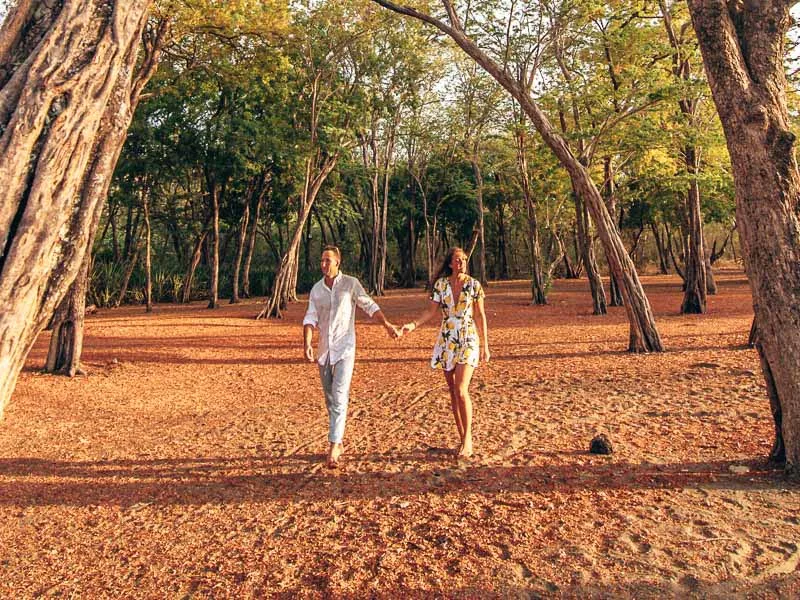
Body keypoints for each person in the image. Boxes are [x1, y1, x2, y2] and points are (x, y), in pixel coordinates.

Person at [303, 245, 399, 468]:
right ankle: (339, 437)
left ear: (338, 262)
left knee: (339, 395)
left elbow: (369, 305)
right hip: (324, 352)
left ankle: (334, 445)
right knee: (330, 399)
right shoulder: (316, 290)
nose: (324, 264)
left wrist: (386, 325)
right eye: (322, 260)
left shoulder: (350, 284)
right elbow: (310, 317)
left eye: (328, 260)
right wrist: (307, 343)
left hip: (345, 349)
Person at [400, 247, 490, 458]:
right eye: (458, 260)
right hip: (447, 339)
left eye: (464, 260)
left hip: (467, 338)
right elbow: (430, 311)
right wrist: (412, 325)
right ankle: (462, 438)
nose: (462, 263)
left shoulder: (474, 285)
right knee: (452, 391)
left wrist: (486, 345)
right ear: (450, 263)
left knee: (461, 389)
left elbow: (480, 315)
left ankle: (468, 439)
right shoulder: (441, 285)